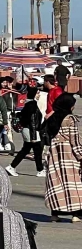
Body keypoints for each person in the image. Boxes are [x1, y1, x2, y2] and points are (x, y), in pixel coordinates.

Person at [43, 93, 82, 222]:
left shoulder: (52, 118)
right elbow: (75, 141)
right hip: (68, 155)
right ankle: (76, 214)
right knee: (74, 184)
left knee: (56, 184)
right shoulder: (70, 119)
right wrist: (81, 156)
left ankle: (55, 214)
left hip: (54, 155)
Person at [8, 96, 46, 177]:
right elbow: (33, 122)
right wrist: (33, 137)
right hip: (32, 132)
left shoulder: (27, 106)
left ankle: (12, 166)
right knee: (37, 151)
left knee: (26, 150)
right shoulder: (33, 106)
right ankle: (40, 170)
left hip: (27, 131)